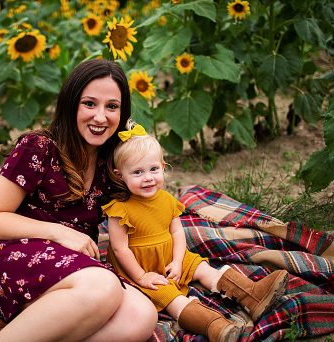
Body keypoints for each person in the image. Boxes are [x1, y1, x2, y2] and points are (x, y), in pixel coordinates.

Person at [0, 59, 157, 341]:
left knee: (141, 317)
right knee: (104, 286)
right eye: (90, 103)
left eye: (111, 106)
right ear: (71, 103)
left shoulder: (109, 160)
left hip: (68, 264)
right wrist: (60, 232)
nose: (101, 117)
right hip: (11, 254)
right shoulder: (39, 148)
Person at [103, 124, 289, 342]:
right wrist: (141, 276)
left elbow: (177, 232)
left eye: (153, 169)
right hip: (138, 266)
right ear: (120, 175)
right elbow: (119, 248)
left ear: (163, 167)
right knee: (170, 297)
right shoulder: (120, 208)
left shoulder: (167, 200)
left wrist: (179, 260)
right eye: (137, 172)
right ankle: (215, 327)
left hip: (170, 255)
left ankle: (252, 295)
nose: (148, 178)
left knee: (203, 267)